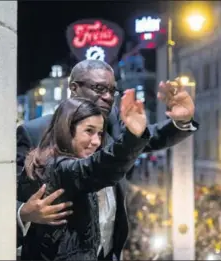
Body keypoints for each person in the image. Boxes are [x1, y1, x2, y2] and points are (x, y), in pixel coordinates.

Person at [16, 59, 198, 258]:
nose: (108, 97)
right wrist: (23, 213)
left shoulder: (112, 125)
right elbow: (6, 193)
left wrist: (181, 121)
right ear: (74, 88)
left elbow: (149, 138)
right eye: (100, 88)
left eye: (112, 91)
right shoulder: (34, 132)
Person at [17, 91, 149, 260]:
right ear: (67, 130)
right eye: (89, 131)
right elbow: (98, 168)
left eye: (100, 134)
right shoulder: (57, 167)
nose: (96, 141)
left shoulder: (59, 161)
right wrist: (132, 137)